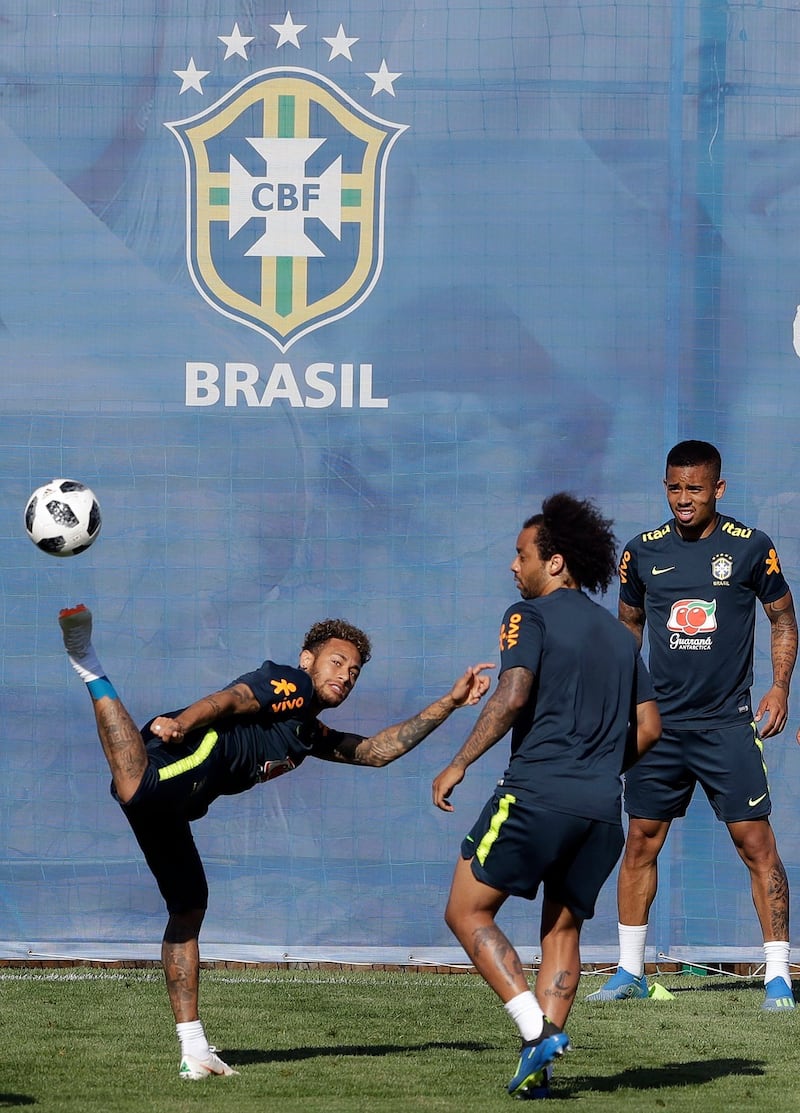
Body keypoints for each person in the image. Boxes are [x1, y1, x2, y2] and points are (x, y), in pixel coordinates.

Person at [58, 602, 493, 1080]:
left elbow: (374, 752)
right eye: (337, 662)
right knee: (136, 788)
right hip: (188, 749)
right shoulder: (293, 683)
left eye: (354, 672)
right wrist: (185, 722)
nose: (345, 676)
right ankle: (86, 660)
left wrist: (450, 703)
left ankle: (194, 1050)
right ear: (308, 660)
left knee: (188, 904)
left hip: (180, 802)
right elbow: (233, 699)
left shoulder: (306, 730)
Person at [431, 493, 661, 1099]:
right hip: (601, 812)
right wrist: (601, 766)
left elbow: (511, 694)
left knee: (465, 910)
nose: (514, 566)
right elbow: (650, 728)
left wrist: (458, 762)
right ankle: (540, 1073)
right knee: (562, 932)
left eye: (521, 554)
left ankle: (537, 1032)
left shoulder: (527, 615)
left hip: (536, 795)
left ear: (554, 562)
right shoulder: (621, 638)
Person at [587, 440, 798, 1011]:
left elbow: (782, 619)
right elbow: (628, 627)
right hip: (659, 727)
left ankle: (778, 977)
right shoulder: (641, 551)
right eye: (675, 488)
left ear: (718, 489)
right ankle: (629, 971)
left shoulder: (752, 547)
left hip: (727, 724)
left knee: (756, 844)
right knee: (640, 840)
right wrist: (622, 697)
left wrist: (780, 686)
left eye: (695, 489)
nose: (684, 498)